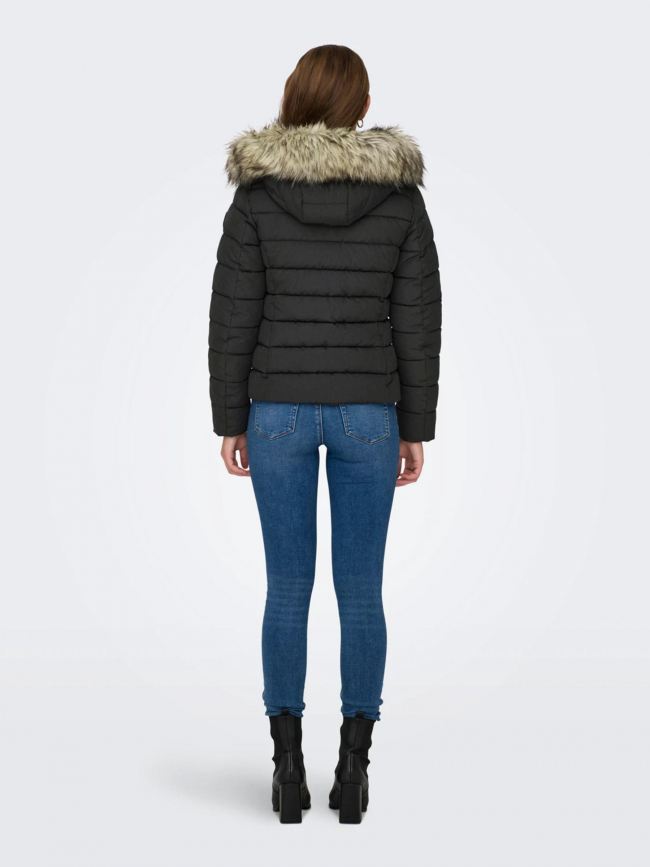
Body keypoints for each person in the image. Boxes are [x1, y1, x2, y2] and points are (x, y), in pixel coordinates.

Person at [208, 44, 441, 823]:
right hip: (369, 414)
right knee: (362, 591)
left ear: (294, 97)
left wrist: (230, 418)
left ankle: (285, 771)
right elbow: (417, 321)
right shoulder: (400, 201)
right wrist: (415, 425)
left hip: (275, 410)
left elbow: (232, 316)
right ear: (362, 106)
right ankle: (354, 770)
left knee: (287, 588)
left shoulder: (257, 198)